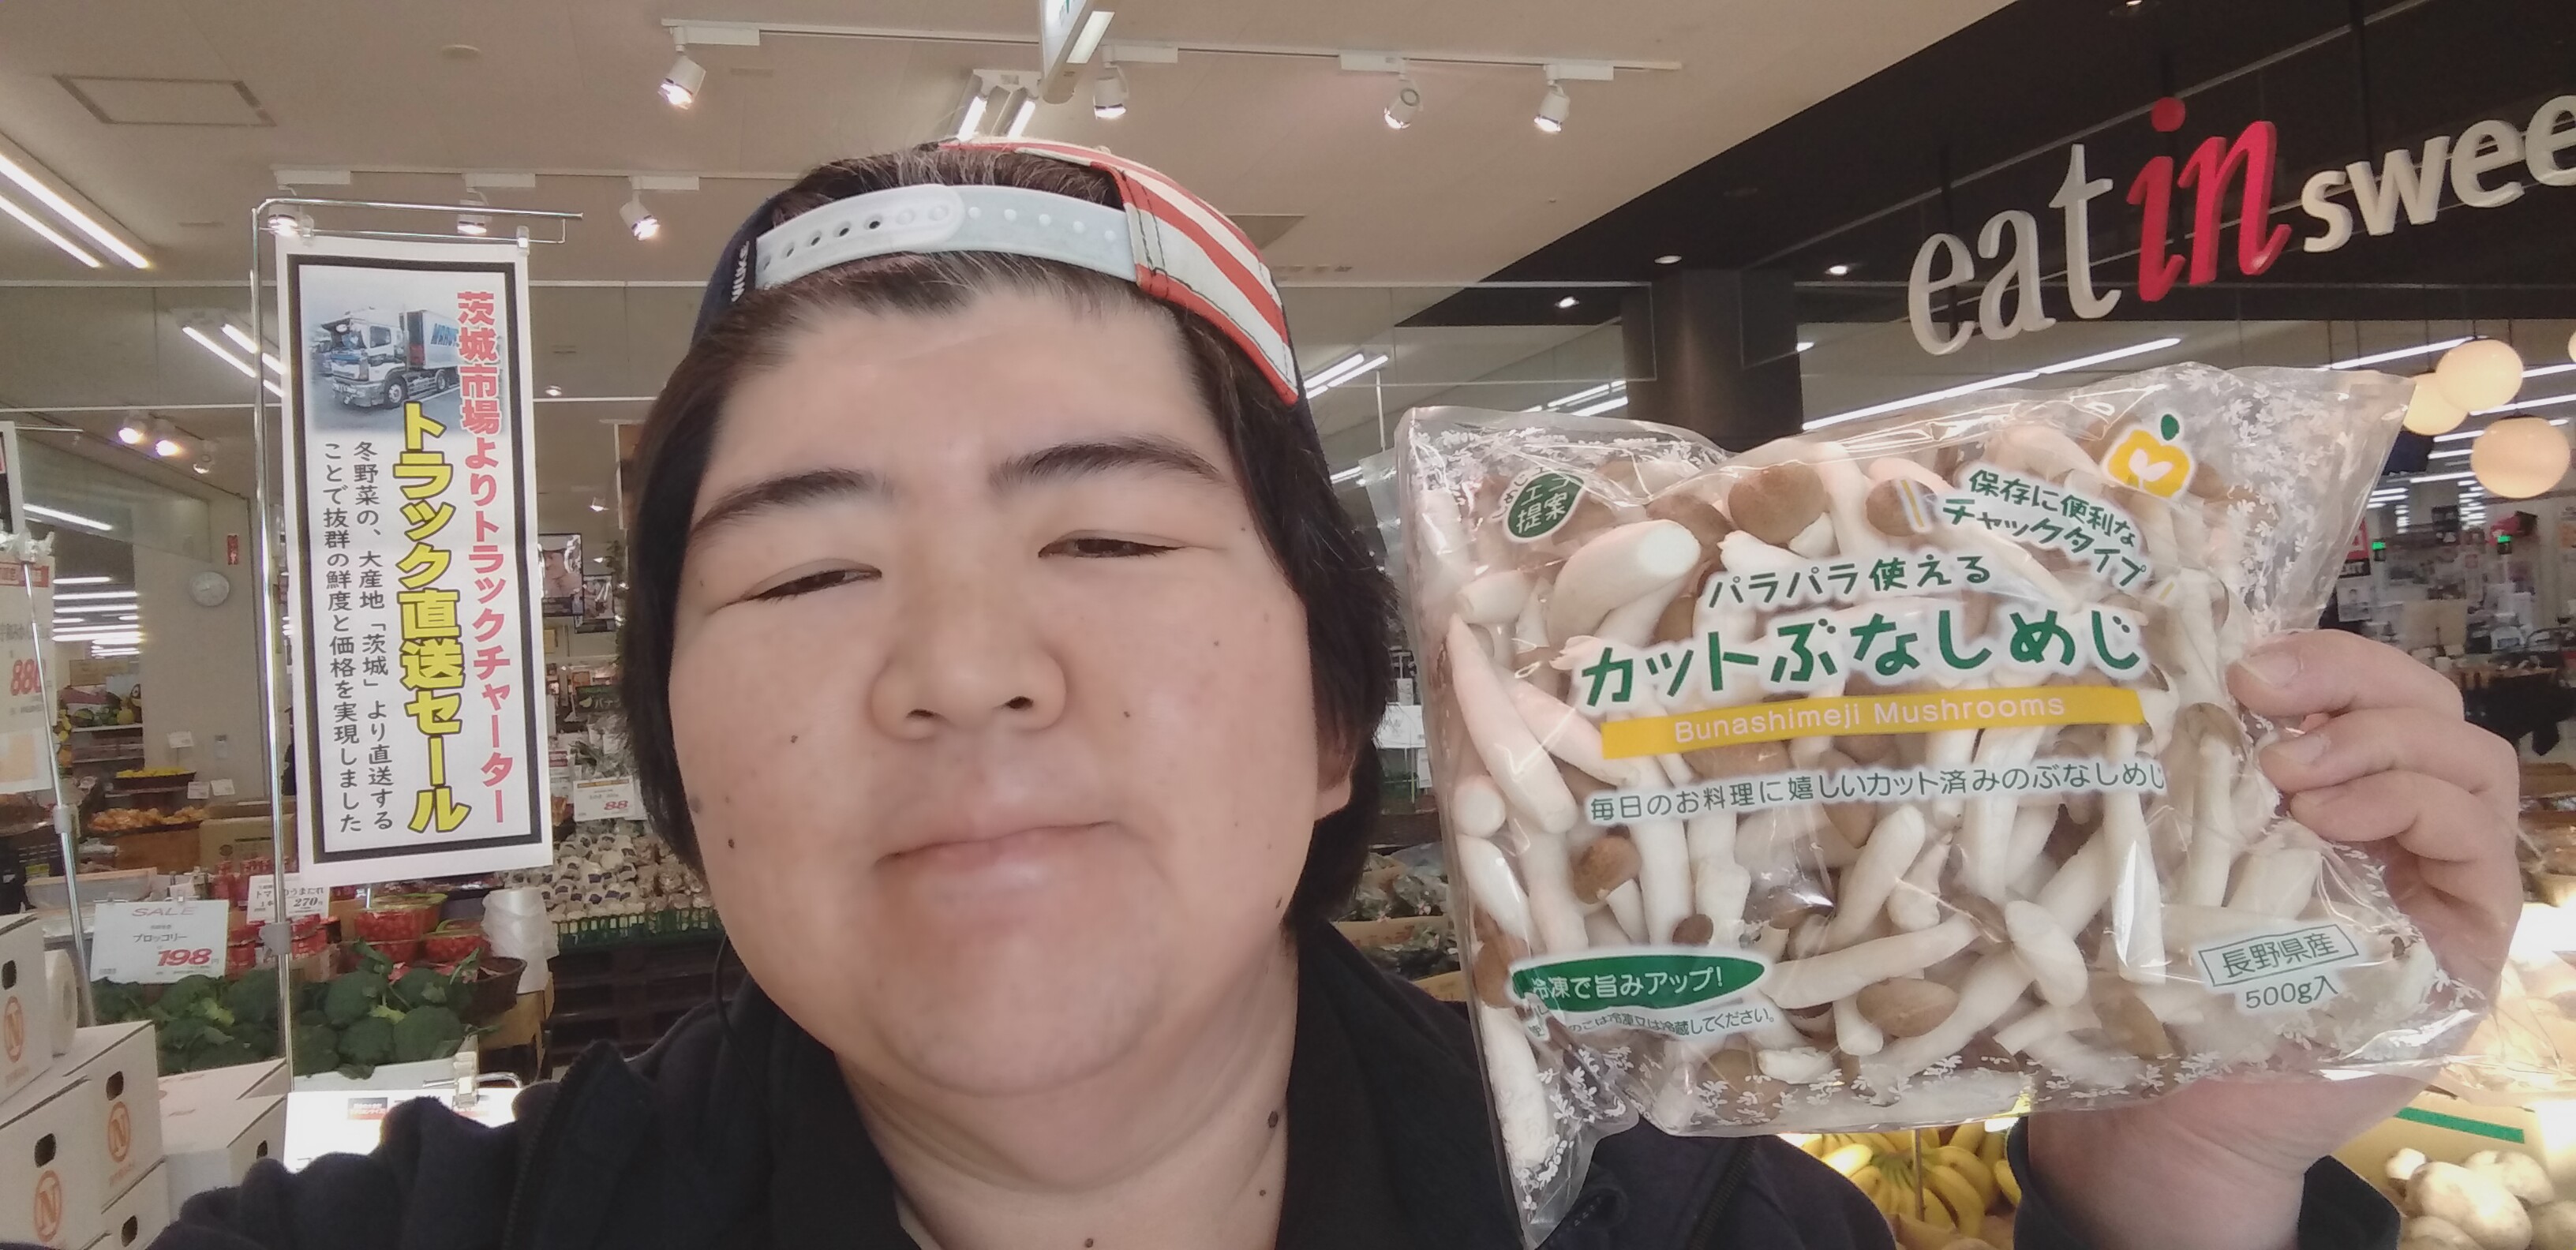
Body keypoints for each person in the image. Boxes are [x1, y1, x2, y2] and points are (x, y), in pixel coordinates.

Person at [154, 142, 2517, 1250]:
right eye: (807, 567)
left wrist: (2182, 1189)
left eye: (1103, 536)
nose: (963, 668)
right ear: (674, 755)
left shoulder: (1705, 1248)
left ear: (1332, 716)